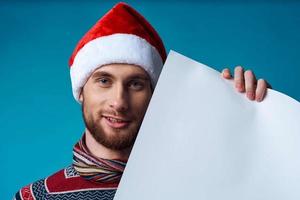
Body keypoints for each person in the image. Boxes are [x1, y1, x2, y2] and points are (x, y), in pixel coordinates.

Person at [14, 2, 269, 200]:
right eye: (104, 81)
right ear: (81, 91)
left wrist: (263, 120)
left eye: (135, 84)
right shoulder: (34, 197)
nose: (119, 102)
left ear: (154, 95)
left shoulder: (200, 186)